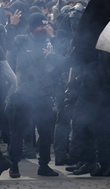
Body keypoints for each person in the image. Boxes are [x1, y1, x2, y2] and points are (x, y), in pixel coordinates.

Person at [6, 13, 60, 178]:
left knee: (45, 133)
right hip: (24, 95)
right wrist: (12, 26)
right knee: (18, 133)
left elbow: (63, 58)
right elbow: (8, 45)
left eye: (46, 25)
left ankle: (43, 166)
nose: (43, 28)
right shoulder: (22, 40)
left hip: (44, 94)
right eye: (40, 26)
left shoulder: (49, 40)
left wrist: (53, 37)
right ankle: (13, 166)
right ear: (31, 26)